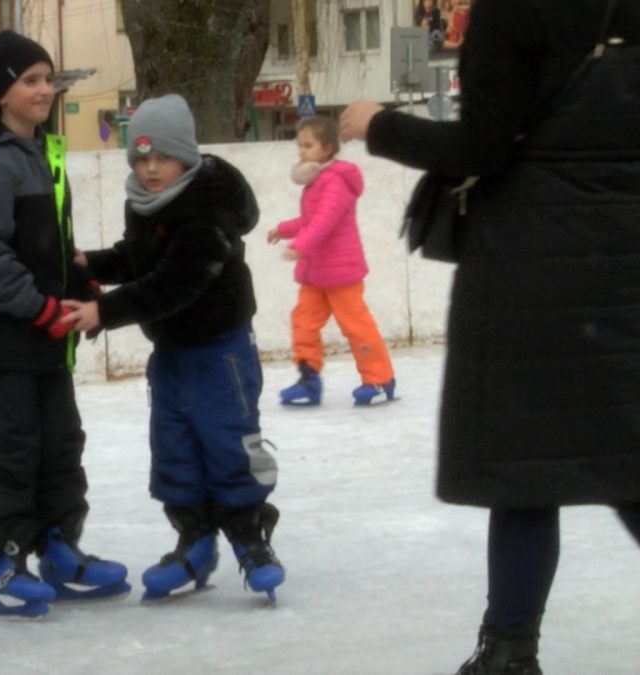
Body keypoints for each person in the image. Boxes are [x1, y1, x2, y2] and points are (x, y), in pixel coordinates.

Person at [339, 0, 640, 671]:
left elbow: (482, 147)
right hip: (628, 269)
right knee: (630, 460)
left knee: (523, 471)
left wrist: (378, 124)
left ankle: (508, 653)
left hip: (533, 273)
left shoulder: (512, 11)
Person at [62, 94, 284, 602]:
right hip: (171, 351)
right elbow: (140, 259)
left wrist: (104, 311)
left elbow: (175, 283)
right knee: (174, 447)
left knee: (229, 443)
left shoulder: (207, 206)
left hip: (222, 350)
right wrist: (91, 263)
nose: (150, 168)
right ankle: (195, 540)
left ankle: (251, 539)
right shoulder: (144, 201)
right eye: (140, 158)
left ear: (184, 154)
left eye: (162, 157)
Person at [0, 29, 129, 618]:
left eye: (48, 79)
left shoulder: (43, 156)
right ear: (1, 91)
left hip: (45, 337)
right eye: (30, 80)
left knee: (61, 443)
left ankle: (58, 549)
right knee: (15, 447)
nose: (44, 90)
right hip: (0, 339)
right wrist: (43, 308)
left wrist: (81, 287)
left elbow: (52, 246)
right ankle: (4, 564)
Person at [267, 116, 396, 407]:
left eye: (308, 145)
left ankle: (379, 377)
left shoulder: (335, 181)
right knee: (303, 322)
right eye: (300, 145)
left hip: (341, 272)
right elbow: (309, 220)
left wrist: (300, 245)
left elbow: (325, 220)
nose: (302, 151)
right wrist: (284, 229)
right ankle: (308, 379)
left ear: (327, 148)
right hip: (315, 273)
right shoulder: (315, 182)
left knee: (356, 326)